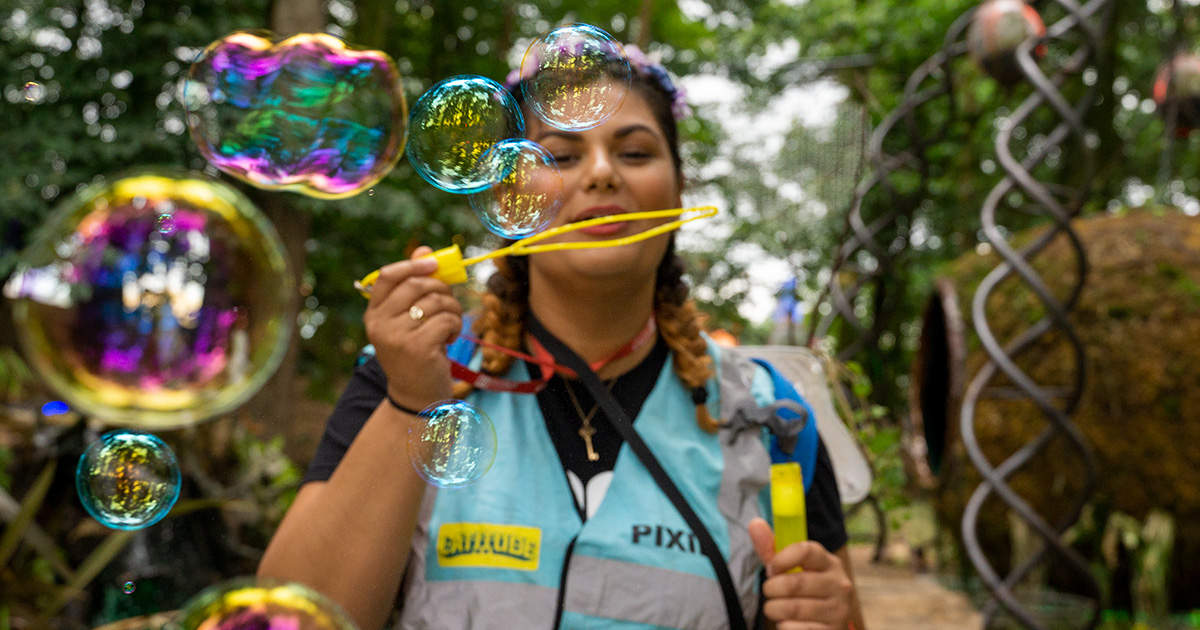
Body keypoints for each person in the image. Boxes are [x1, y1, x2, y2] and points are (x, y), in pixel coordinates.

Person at [258, 44, 867, 630]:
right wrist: (412, 402)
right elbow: (293, 619)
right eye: (562, 156)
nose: (601, 174)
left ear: (679, 189)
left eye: (633, 153)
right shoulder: (413, 374)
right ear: (508, 197)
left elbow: (835, 616)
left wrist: (825, 615)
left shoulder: (767, 414)